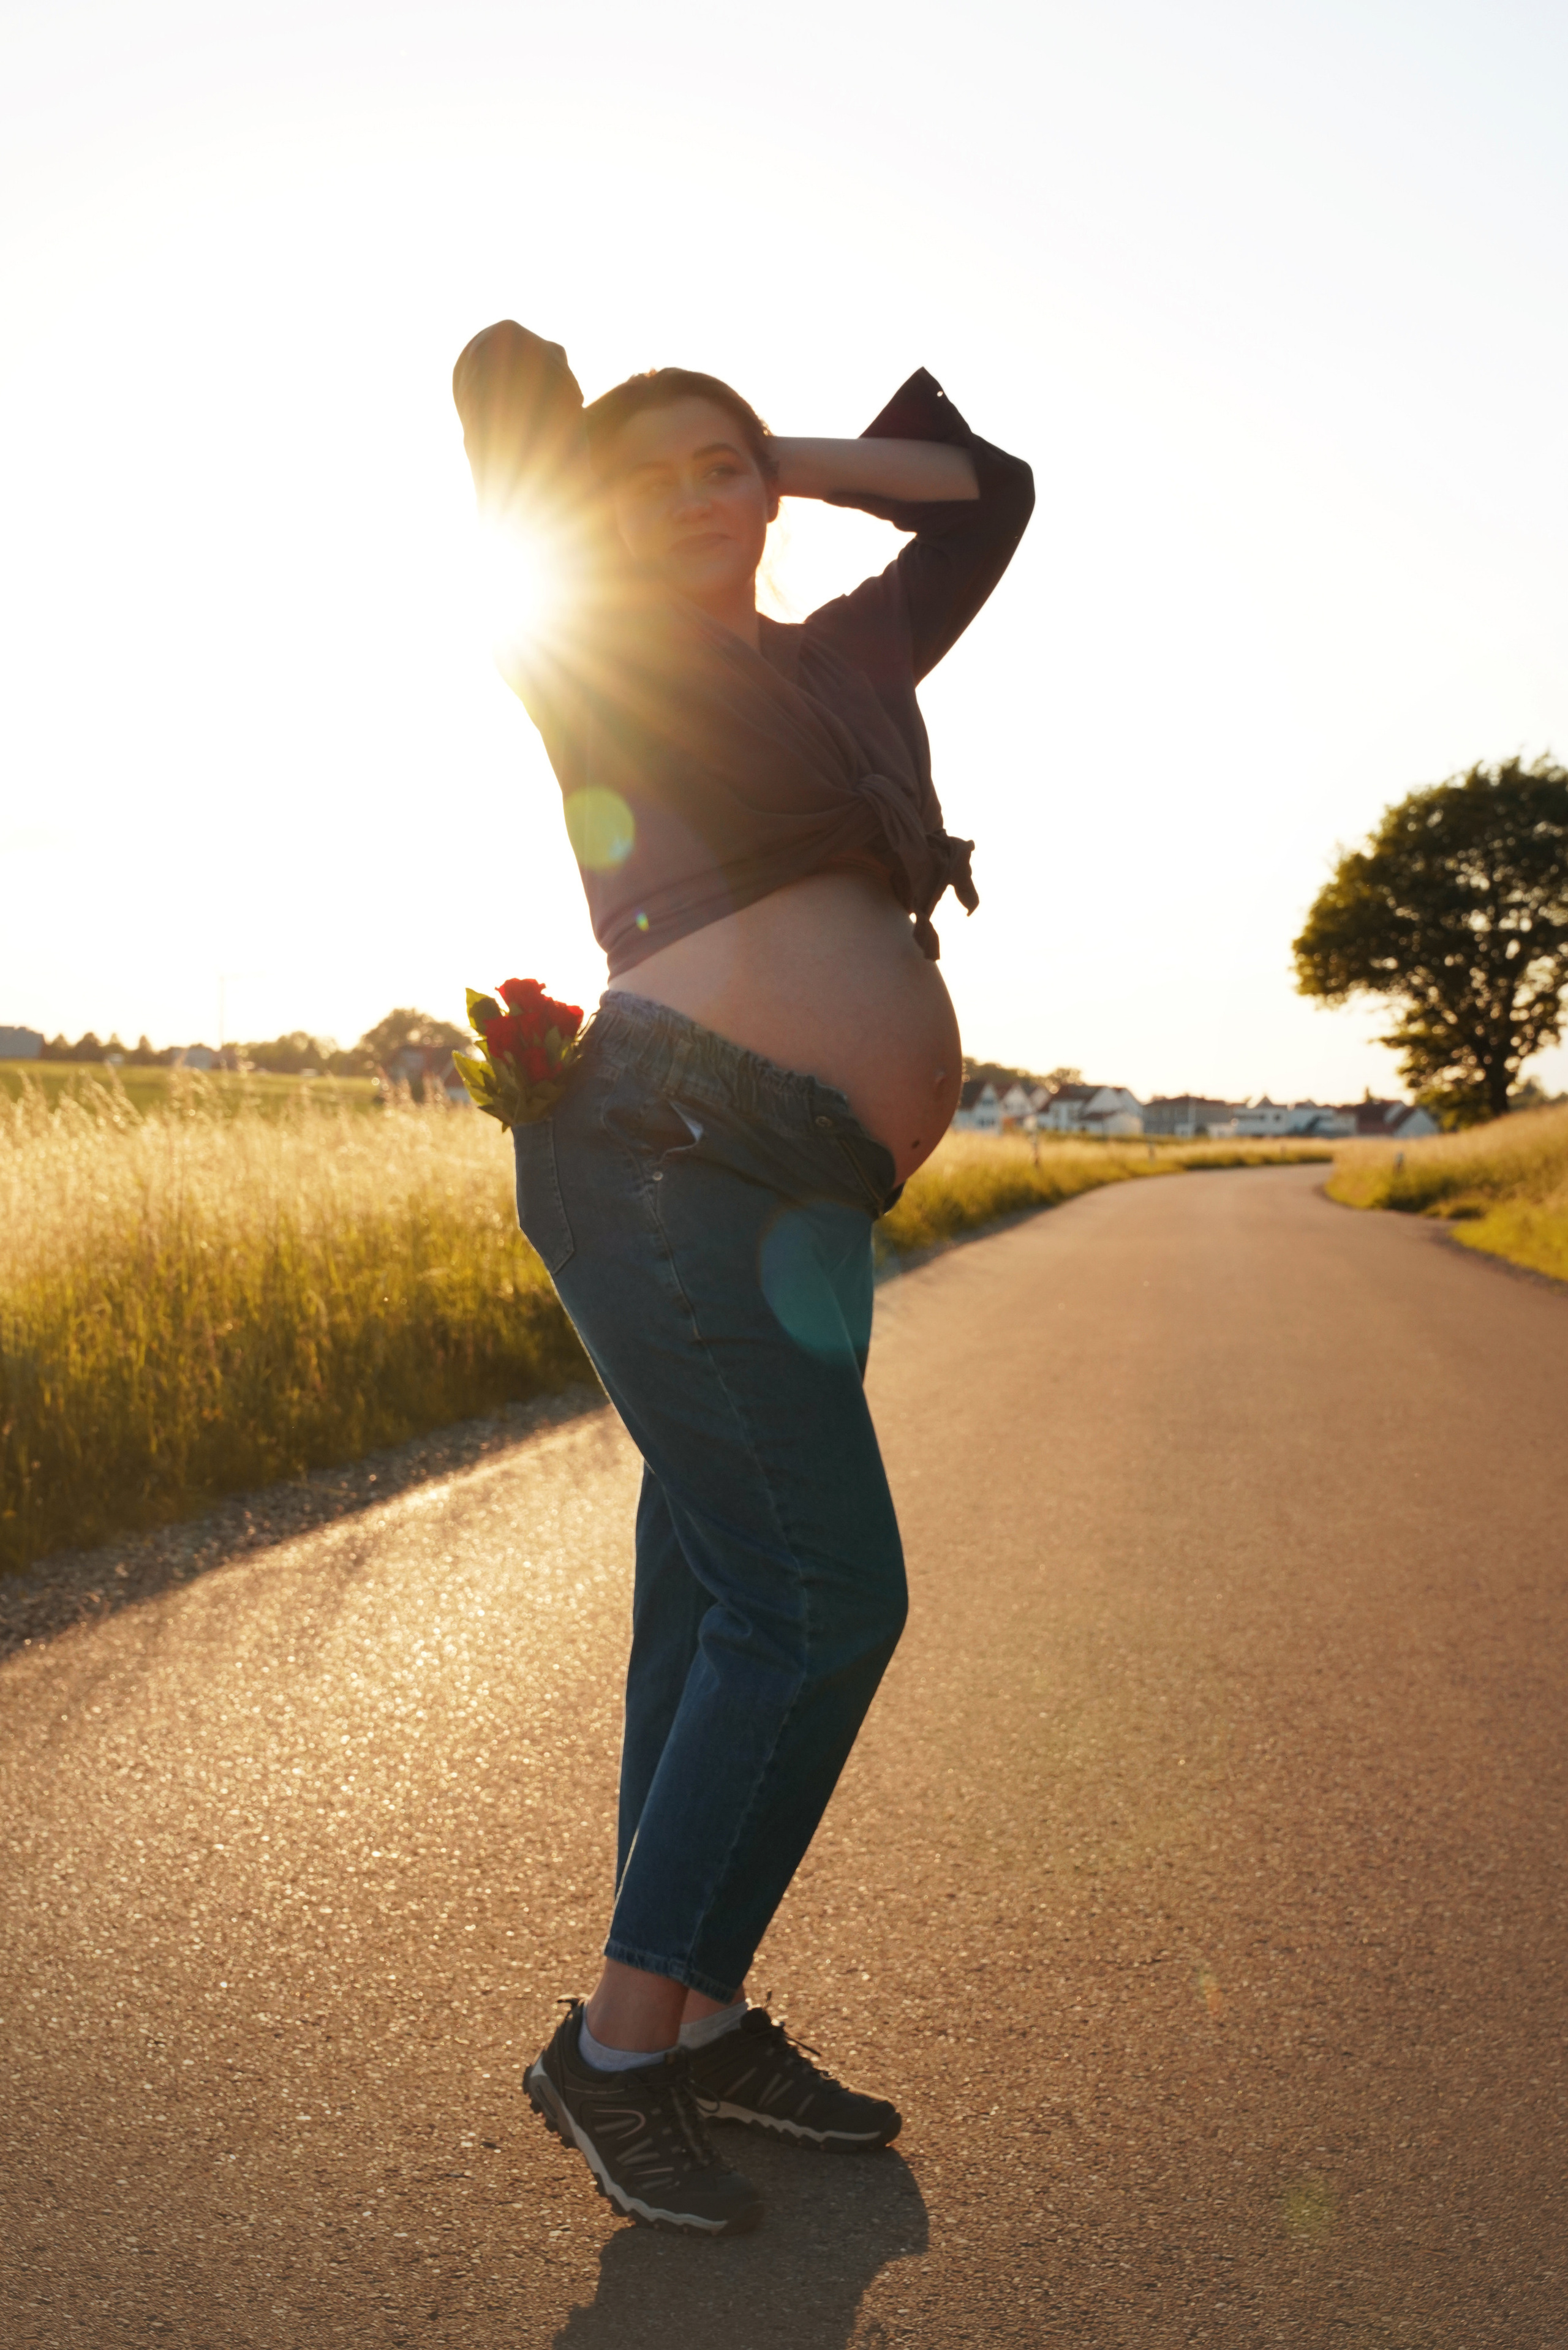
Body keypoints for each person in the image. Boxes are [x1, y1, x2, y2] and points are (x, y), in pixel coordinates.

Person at [453, 322, 1033, 2235]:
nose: (697, 502)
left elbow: (992, 499)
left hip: (803, 1204)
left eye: (726, 477)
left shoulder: (849, 659)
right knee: (821, 1599)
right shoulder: (598, 653)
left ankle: (691, 2014)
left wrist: (767, 447)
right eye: (652, 485)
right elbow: (505, 389)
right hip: (666, 1154)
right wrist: (617, 464)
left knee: (723, 1606)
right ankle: (613, 2055)